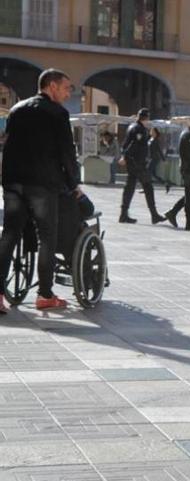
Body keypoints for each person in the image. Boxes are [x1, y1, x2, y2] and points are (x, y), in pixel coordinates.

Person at [0, 68, 81, 313]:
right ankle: (45, 294)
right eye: (66, 88)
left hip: (13, 181)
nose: (68, 94)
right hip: (43, 184)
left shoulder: (16, 109)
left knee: (10, 234)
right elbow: (67, 153)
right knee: (47, 236)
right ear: (52, 86)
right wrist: (73, 183)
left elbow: (8, 144)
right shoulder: (58, 113)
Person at [118, 108, 165, 225]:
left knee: (129, 187)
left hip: (133, 162)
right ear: (146, 118)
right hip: (137, 163)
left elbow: (125, 144)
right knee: (148, 187)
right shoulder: (139, 129)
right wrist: (126, 156)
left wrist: (125, 156)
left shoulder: (131, 127)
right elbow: (133, 145)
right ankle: (154, 215)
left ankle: (123, 214)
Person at [147, 127, 171, 193]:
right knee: (154, 175)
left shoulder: (156, 140)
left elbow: (159, 150)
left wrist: (164, 159)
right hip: (150, 158)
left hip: (155, 158)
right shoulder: (150, 139)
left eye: (152, 131)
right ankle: (166, 184)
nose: (151, 132)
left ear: (155, 132)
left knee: (148, 172)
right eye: (151, 130)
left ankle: (147, 188)